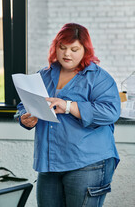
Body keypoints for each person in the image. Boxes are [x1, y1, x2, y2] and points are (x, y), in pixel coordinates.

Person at [17, 23, 121, 207]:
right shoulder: (44, 75)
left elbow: (111, 112)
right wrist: (25, 116)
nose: (67, 54)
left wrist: (68, 106)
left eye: (74, 49)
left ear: (85, 50)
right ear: (55, 47)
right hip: (49, 164)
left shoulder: (98, 78)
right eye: (62, 48)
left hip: (87, 163)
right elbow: (24, 103)